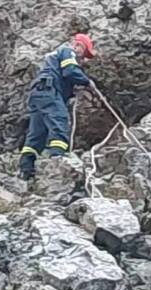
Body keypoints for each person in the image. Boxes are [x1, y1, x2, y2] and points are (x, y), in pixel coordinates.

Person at [19, 33, 96, 180]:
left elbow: (63, 76)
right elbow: (70, 71)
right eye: (83, 52)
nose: (82, 58)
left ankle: (26, 170)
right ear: (77, 45)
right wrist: (86, 82)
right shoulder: (67, 51)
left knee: (37, 133)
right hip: (49, 92)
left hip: (38, 94)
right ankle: (57, 160)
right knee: (60, 122)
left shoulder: (54, 56)